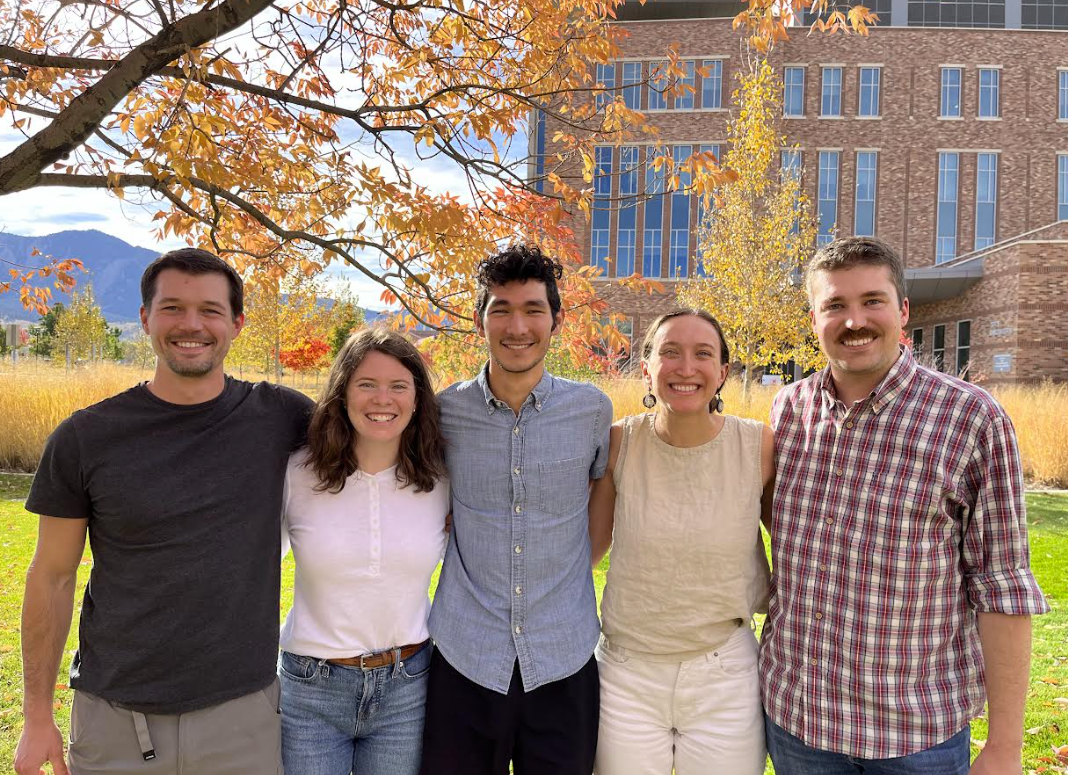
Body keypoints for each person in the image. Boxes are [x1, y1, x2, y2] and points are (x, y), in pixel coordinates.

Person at [14, 248, 314, 775]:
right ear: (145, 318)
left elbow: (379, 450)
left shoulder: (282, 417)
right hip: (116, 720)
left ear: (237, 324)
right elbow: (52, 577)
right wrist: (37, 715)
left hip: (243, 718)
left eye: (210, 310)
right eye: (172, 307)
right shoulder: (86, 438)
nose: (191, 325)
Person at [760, 236, 1050, 775]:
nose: (855, 321)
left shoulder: (971, 419)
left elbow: (1003, 587)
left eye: (872, 300)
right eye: (835, 305)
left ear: (904, 311)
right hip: (798, 722)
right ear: (814, 319)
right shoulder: (788, 411)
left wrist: (1005, 746)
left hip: (916, 736)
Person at [419, 244, 613, 775]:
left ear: (556, 321)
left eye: (533, 309)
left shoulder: (592, 410)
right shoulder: (442, 414)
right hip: (465, 655)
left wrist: (567, 571)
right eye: (500, 309)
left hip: (563, 656)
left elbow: (602, 499)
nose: (517, 326)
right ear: (479, 319)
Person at [587, 309, 773, 775]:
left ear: (723, 372)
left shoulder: (758, 447)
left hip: (724, 673)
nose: (686, 367)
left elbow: (802, 548)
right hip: (626, 674)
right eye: (670, 352)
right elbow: (587, 550)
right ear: (646, 368)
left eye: (702, 354)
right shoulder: (619, 443)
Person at [278, 328, 448, 775]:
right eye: (366, 384)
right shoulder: (297, 474)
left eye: (398, 386)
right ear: (342, 393)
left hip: (407, 686)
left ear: (417, 399)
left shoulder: (440, 481)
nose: (382, 399)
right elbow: (252, 568)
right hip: (310, 688)